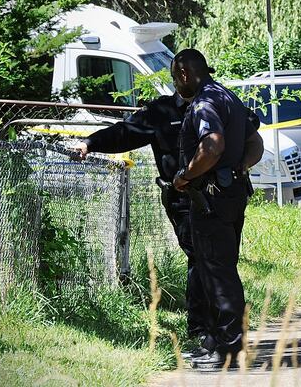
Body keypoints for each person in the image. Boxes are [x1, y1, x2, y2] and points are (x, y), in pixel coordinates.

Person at [74, 92, 214, 358]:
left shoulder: (217, 100)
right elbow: (126, 132)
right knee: (200, 256)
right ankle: (203, 330)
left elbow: (249, 129)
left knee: (219, 258)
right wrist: (90, 143)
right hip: (183, 198)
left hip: (223, 195)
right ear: (181, 77)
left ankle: (225, 325)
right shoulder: (162, 111)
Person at [170, 48, 264, 368]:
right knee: (219, 268)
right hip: (232, 195)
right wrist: (239, 168)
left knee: (217, 272)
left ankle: (228, 349)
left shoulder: (204, 102)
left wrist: (185, 175)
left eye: (175, 79)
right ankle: (215, 339)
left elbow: (212, 146)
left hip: (210, 197)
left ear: (184, 74)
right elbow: (256, 144)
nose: (176, 86)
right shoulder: (228, 97)